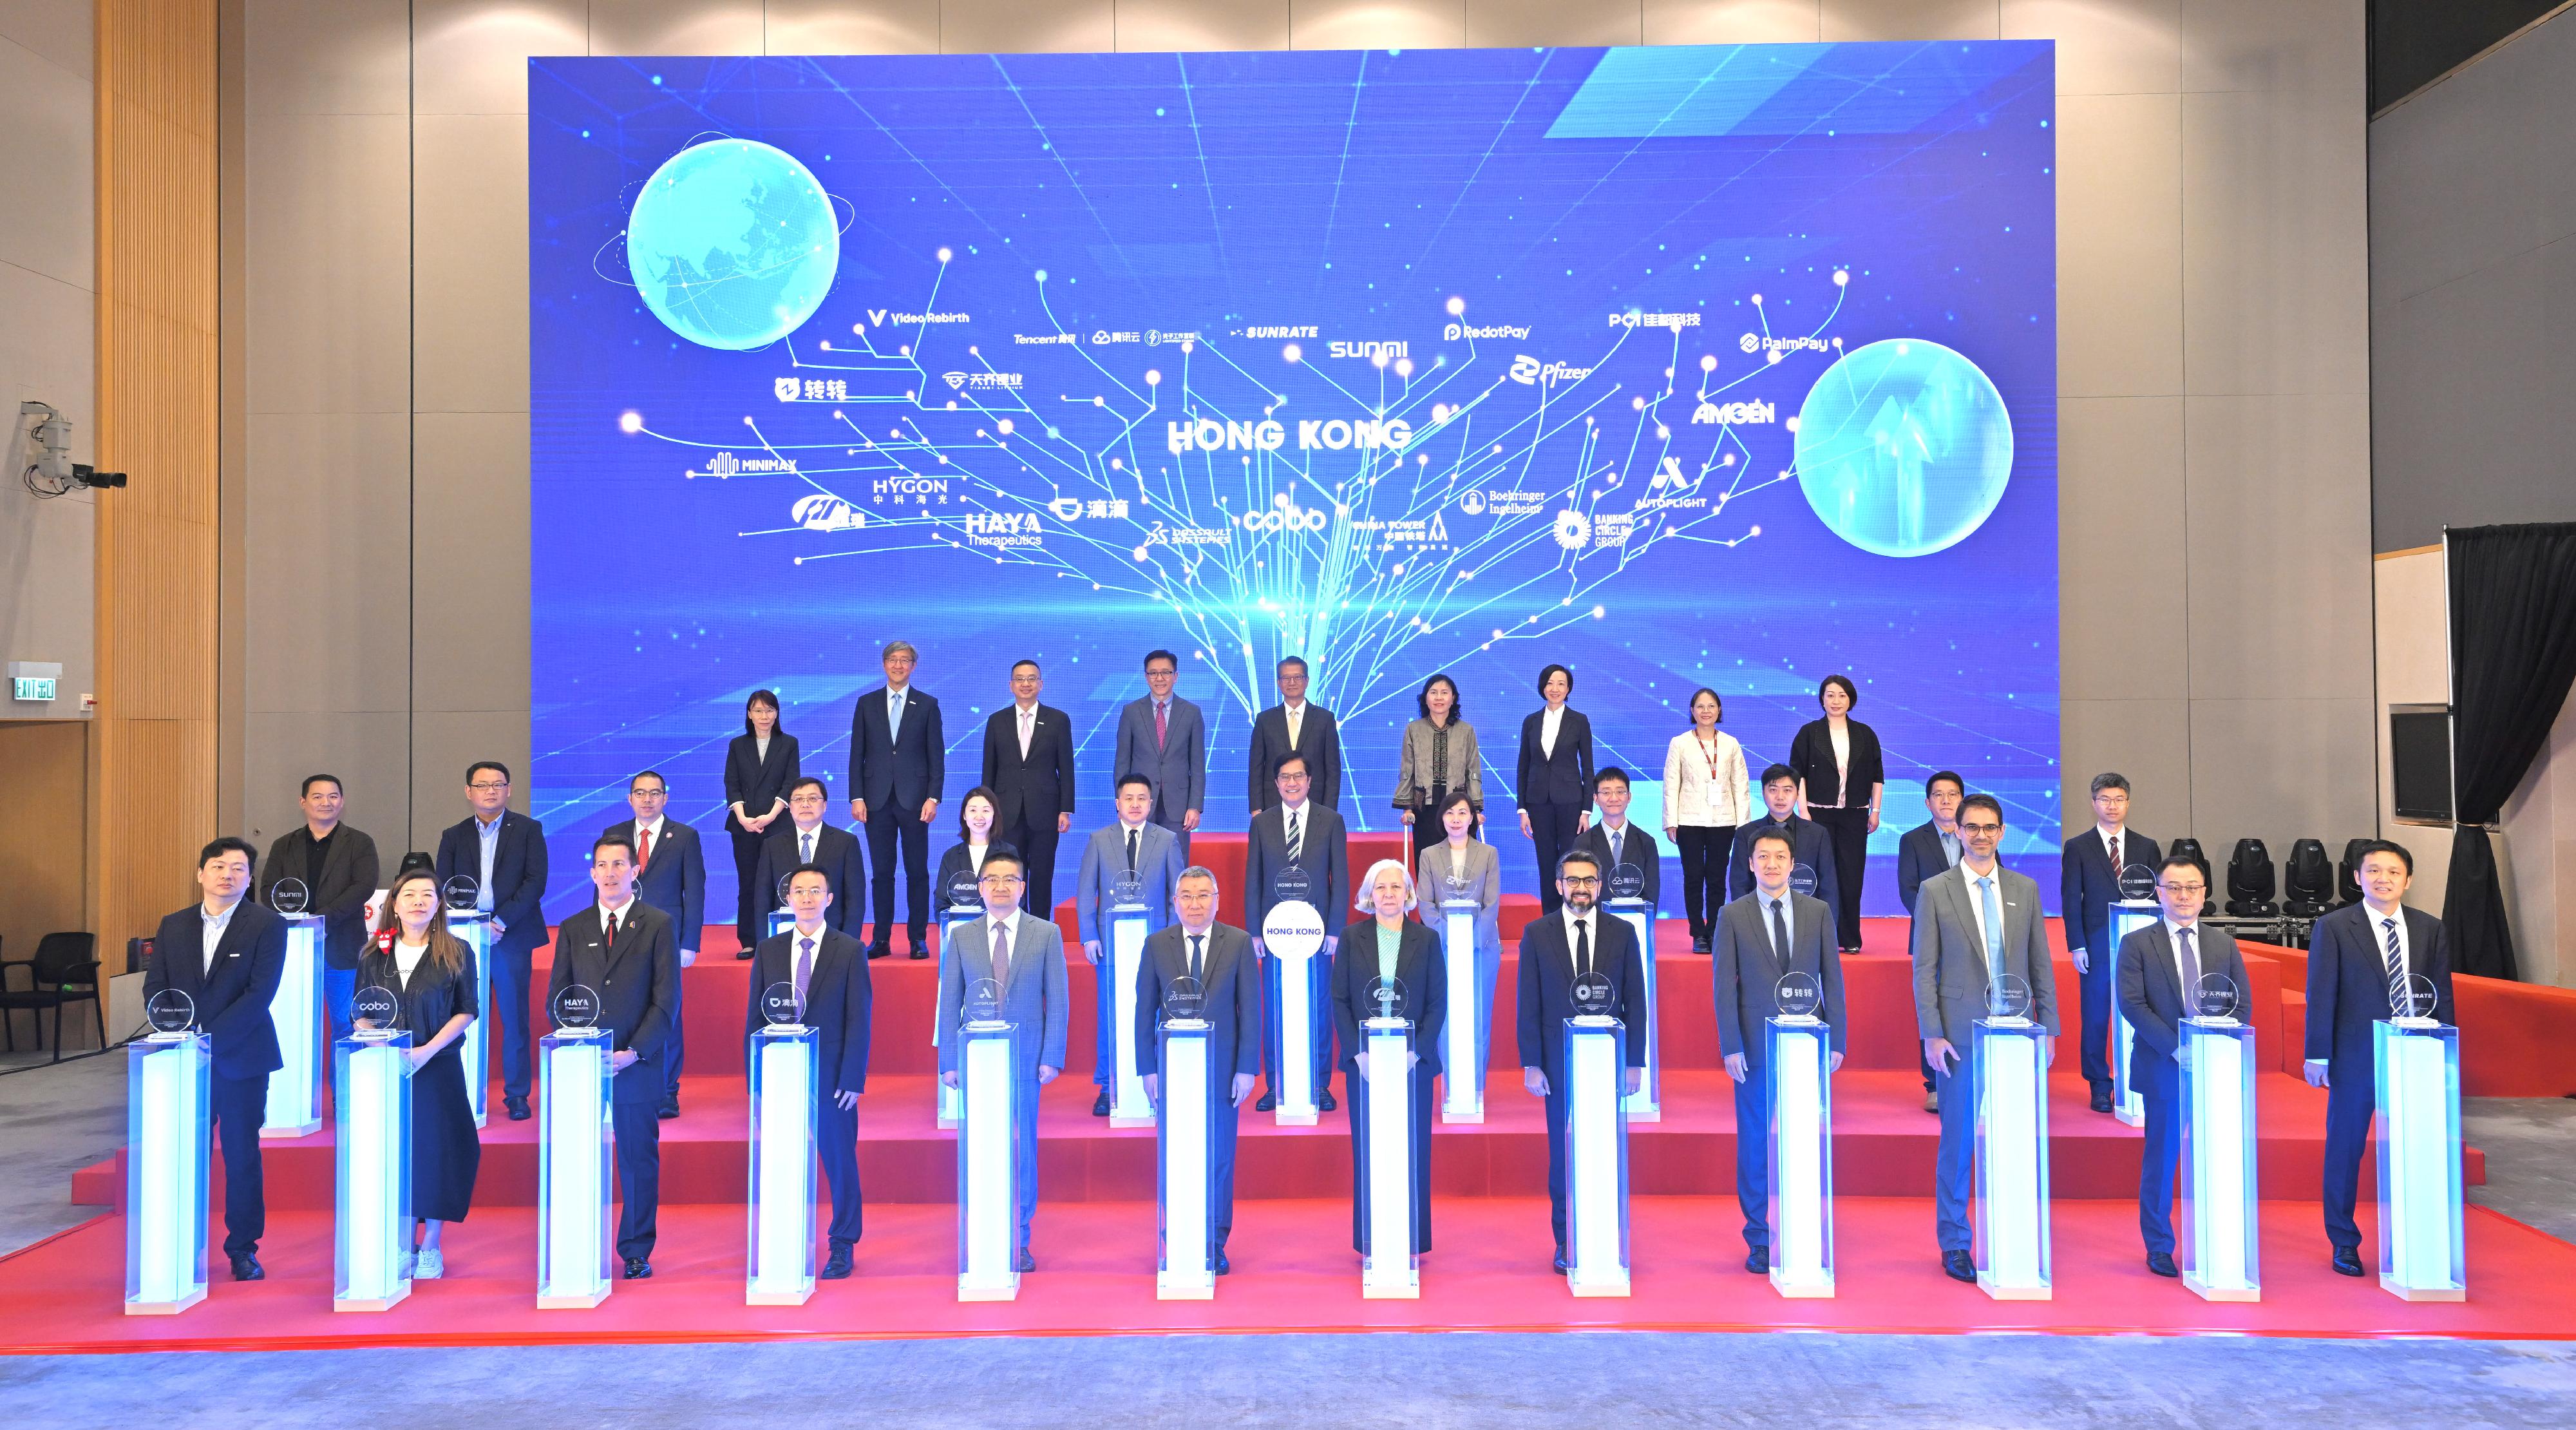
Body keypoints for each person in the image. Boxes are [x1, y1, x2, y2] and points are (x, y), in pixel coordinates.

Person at [1911, 793, 2058, 1282]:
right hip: (1960, 1036)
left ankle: (2014, 1232)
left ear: (2002, 832)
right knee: (1957, 1144)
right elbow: (1924, 970)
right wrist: (1932, 1034)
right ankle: (1954, 1241)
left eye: (1989, 827)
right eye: (1971, 827)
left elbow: (2040, 963)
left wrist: (2049, 1028)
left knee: (2015, 1139)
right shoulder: (1935, 890)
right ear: (1957, 831)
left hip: (2017, 1036)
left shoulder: (2025, 889)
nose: (1980, 835)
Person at [2304, 839, 2454, 1278]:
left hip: (2416, 1054)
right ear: (2357, 878)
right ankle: (2344, 1242)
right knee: (2346, 1150)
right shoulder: (2333, 927)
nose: (2382, 879)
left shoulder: (2431, 929)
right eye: (2372, 871)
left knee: (2417, 1148)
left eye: (2392, 872)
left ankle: (2414, 1238)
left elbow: (2441, 994)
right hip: (2355, 1056)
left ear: (2407, 879)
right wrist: (2318, 1054)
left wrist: (2444, 1053)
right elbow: (2321, 993)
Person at [144, 838, 289, 1281]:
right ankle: (183, 1246)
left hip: (242, 1057)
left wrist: (208, 1040)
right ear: (201, 873)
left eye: (239, 868)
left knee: (243, 1156)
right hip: (184, 1060)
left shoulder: (267, 924)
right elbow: (156, 986)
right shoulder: (173, 925)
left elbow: (260, 994)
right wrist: (176, 1031)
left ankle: (242, 1248)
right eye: (219, 866)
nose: (228, 875)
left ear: (250, 878)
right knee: (188, 1154)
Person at [547, 833, 681, 1279]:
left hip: (635, 1067)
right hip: (581, 1067)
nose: (610, 873)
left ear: (634, 871)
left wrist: (633, 1053)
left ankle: (636, 1250)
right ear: (591, 873)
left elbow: (666, 1003)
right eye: (602, 865)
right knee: (577, 1157)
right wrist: (579, 1045)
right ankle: (577, 1245)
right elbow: (557, 1000)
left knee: (638, 1162)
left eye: (619, 865)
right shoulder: (573, 927)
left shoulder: (659, 924)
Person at [1713, 828, 1846, 1273]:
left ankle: (1802, 1225)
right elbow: (1723, 988)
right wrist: (1730, 1044)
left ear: (1793, 864)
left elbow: (1833, 980)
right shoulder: (1732, 915)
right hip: (1752, 1044)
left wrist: (1838, 1038)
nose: (1772, 865)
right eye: (1763, 857)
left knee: (1803, 1138)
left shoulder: (1819, 912)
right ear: (1751, 864)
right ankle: (1758, 1236)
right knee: (1754, 1142)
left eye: (1780, 857)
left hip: (1808, 1043)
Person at [936, 852, 1068, 1272]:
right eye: (991, 880)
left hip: (1028, 1057)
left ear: (1022, 887)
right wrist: (949, 1062)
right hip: (977, 1059)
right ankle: (983, 1232)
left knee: (1022, 1148)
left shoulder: (1046, 934)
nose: (1000, 887)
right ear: (980, 888)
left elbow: (1059, 1002)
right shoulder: (961, 937)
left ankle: (1020, 1237)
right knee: (981, 1147)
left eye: (1009, 880)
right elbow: (949, 1002)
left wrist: (1052, 1057)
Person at [2116, 855, 2248, 1280]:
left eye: (2192, 887)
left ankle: (2217, 1241)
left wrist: (2218, 1049)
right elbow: (2132, 1004)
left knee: (2218, 1157)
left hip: (2218, 1067)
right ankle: (2159, 1245)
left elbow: (2241, 1002)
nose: (2184, 895)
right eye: (2174, 887)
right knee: (2163, 1156)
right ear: (2159, 893)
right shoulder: (2137, 944)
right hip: (2164, 1065)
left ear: (2205, 893)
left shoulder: (2222, 943)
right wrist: (2178, 1049)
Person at [1516, 849, 1647, 1273]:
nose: (1581, 888)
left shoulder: (1623, 933)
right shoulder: (1537, 934)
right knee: (1565, 1153)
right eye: (1573, 880)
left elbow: (1637, 1002)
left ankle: (1605, 1233)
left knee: (1604, 1148)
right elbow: (1528, 1004)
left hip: (1608, 1060)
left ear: (1600, 884)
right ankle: (1566, 1240)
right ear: (1559, 886)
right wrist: (1531, 1062)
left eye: (1589, 881)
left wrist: (1634, 1062)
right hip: (1557, 1062)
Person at [744, 864, 873, 1279]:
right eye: (799, 891)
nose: (806, 898)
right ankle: (785, 1237)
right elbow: (753, 1021)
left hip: (833, 1076)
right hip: (782, 1071)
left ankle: (842, 1243)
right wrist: (757, 1080)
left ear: (829, 899)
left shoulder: (850, 949)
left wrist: (853, 1078)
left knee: (839, 1161)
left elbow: (859, 1019)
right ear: (788, 898)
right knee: (783, 1159)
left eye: (815, 891)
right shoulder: (768, 950)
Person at [355, 868, 482, 1280]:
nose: (418, 901)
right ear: (394, 903)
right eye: (409, 894)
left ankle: (431, 1247)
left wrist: (426, 1051)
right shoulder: (374, 954)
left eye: (428, 894)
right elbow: (362, 1014)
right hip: (388, 1070)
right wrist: (385, 1048)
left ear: (439, 904)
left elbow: (467, 1010)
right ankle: (401, 1244)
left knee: (437, 1154)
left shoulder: (458, 951)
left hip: (438, 1067)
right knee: (398, 1154)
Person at [1135, 866, 1262, 1273]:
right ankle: (1178, 1238)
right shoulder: (1156, 945)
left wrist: (1247, 1069)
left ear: (1217, 900)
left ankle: (1214, 1240)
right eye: (1187, 896)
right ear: (1175, 902)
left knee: (1220, 1157)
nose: (1195, 903)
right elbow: (1143, 1011)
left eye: (1203, 895)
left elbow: (1251, 1012)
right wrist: (1147, 1069)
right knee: (1177, 1155)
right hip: (1172, 1070)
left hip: (1224, 1070)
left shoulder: (1239, 942)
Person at [1331, 859, 1446, 1261]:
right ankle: (1370, 1240)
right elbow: (1340, 1001)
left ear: (1409, 894)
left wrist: (1418, 1052)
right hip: (1365, 1064)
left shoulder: (1427, 940)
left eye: (1397, 887)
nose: (1389, 895)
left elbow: (1436, 1002)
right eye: (1381, 888)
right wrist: (1355, 1053)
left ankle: (1413, 1239)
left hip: (1413, 1062)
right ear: (1368, 895)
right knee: (1369, 1150)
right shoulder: (1350, 937)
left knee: (1413, 1149)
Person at [433, 761, 547, 1121]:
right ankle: (463, 1092)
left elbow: (535, 882)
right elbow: (442, 884)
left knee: (514, 1019)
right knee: (461, 1014)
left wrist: (499, 922)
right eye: (482, 786)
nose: (490, 791)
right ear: (469, 792)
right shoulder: (453, 835)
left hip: (509, 935)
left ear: (509, 789)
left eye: (498, 784)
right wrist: (469, 923)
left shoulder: (528, 830)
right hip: (463, 937)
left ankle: (517, 1095)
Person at [1075, 774, 1187, 1116]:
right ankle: (1108, 1086)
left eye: (1142, 798)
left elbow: (1177, 896)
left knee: (1154, 1013)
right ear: (1118, 804)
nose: (1136, 804)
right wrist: (1089, 935)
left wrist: (1173, 940)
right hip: (1110, 946)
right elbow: (1085, 894)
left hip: (1154, 945)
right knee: (1110, 1015)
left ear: (1151, 804)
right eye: (1129, 798)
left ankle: (1157, 1083)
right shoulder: (1098, 840)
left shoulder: (1168, 840)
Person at [1243, 752, 1349, 1113]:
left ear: (1309, 781)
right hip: (1275, 933)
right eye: (1285, 777)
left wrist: (1334, 930)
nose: (1291, 783)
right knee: (1275, 1007)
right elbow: (1253, 881)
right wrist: (1255, 933)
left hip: (1316, 933)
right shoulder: (1262, 824)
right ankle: (1276, 1084)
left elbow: (1341, 880)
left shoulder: (1332, 821)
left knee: (1319, 1006)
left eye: (1298, 776)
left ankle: (1320, 1084)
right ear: (1276, 784)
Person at [606, 769, 706, 1120]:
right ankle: (627, 1081)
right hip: (621, 935)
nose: (647, 799)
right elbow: (604, 886)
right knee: (625, 1008)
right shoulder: (614, 835)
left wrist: (689, 942)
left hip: (667, 937)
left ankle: (667, 1091)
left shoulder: (685, 836)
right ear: (629, 798)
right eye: (640, 793)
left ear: (666, 798)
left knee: (667, 1013)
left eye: (655, 793)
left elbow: (694, 892)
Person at [2061, 772, 2162, 1114]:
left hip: (2141, 944)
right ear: (2094, 804)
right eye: (2105, 799)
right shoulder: (2078, 847)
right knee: (2095, 1017)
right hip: (2097, 944)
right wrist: (2077, 944)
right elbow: (2071, 898)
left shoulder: (2147, 846)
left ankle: (2138, 1082)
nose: (2112, 806)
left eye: (2119, 799)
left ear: (2128, 803)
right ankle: (2100, 1085)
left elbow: (2157, 896)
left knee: (2144, 1012)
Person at [259, 773, 381, 1044]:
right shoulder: (283, 845)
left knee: (347, 1026)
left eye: (333, 796)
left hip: (342, 948)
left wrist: (321, 921)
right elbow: (268, 891)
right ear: (303, 802)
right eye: (318, 796)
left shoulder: (360, 843)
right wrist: (300, 923)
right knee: (293, 1024)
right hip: (293, 948)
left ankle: (344, 1088)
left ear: (342, 802)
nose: (326, 802)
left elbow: (363, 887)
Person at [848, 640, 945, 959]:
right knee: (881, 872)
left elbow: (936, 756)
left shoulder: (927, 704)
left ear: (913, 666)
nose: (898, 665)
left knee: (917, 871)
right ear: (884, 664)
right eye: (892, 659)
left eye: (905, 660)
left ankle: (918, 938)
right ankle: (881, 939)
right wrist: (857, 797)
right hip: (875, 801)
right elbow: (857, 755)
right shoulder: (866, 703)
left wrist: (933, 797)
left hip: (916, 801)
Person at [1788, 674, 1882, 953]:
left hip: (1855, 815)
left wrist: (1875, 811)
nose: (1836, 700)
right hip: (1818, 815)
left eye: (1842, 695)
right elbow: (1797, 775)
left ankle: (1850, 938)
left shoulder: (1865, 733)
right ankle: (1816, 939)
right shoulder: (1809, 732)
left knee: (1852, 876)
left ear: (1850, 699)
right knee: (1818, 877)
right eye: (1830, 695)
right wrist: (1802, 810)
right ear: (1822, 699)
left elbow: (1877, 776)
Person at [981, 658, 1076, 921]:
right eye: (1020, 679)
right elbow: (988, 770)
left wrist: (1065, 810)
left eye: (1032, 678)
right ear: (1011, 685)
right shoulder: (996, 721)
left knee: (1043, 873)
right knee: (1010, 873)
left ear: (1041, 684)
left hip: (1046, 811)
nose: (1026, 684)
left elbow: (1066, 768)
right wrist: (988, 813)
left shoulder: (1058, 720)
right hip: (1006, 811)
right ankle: (1013, 926)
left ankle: (1041, 930)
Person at [1415, 790, 1502, 1076]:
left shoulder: (1489, 854)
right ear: (1442, 819)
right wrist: (1450, 938)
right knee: (1448, 1016)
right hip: (1444, 948)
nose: (1456, 819)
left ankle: (1475, 1085)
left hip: (1482, 947)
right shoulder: (1429, 855)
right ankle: (1451, 1084)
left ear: (1472, 819)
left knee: (1478, 1017)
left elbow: (1492, 903)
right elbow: (1426, 904)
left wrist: (1473, 941)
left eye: (1463, 812)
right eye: (1450, 813)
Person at [1897, 771, 1968, 1113]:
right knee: (1931, 1005)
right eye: (1938, 795)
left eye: (1952, 794)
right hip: (1931, 936)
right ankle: (1934, 1083)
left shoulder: (1977, 836)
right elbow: (1908, 890)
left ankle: (1970, 1075)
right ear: (1927, 803)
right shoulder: (1913, 840)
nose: (1946, 801)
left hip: (1975, 938)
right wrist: (1937, 924)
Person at [1663, 688, 1748, 953]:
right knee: (1693, 876)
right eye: (1700, 706)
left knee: (1716, 878)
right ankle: (1697, 933)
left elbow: (1740, 785)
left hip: (1723, 820)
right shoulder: (1680, 743)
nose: (1706, 711)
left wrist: (1743, 825)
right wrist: (1670, 820)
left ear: (1719, 711)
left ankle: (1714, 929)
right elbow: (1671, 783)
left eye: (1711, 706)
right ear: (1692, 711)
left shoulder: (1731, 744)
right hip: (1689, 819)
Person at [723, 689, 802, 953]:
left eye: (769, 710)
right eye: (758, 711)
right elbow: (731, 784)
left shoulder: (789, 743)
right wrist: (743, 818)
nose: (764, 716)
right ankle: (748, 941)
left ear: (777, 713)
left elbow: (791, 782)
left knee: (778, 881)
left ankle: (777, 939)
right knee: (748, 882)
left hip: (778, 824)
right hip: (744, 825)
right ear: (749, 714)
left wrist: (771, 815)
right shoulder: (737, 745)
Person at [750, 776, 868, 946]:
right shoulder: (772, 845)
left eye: (813, 798)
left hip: (833, 939)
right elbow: (762, 900)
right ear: (790, 807)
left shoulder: (846, 843)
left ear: (825, 805)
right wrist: (764, 947)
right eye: (798, 799)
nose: (805, 804)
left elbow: (855, 900)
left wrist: (848, 946)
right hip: (784, 940)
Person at [1516, 663, 1595, 914]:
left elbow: (1589, 768)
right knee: (1546, 861)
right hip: (1538, 803)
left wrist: (1587, 810)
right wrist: (1522, 810)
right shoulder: (1531, 721)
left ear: (1568, 688)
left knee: (1572, 862)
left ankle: (1575, 912)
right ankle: (1550, 918)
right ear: (1542, 686)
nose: (1555, 689)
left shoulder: (1579, 721)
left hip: (1571, 801)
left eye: (1561, 684)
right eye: (1550, 683)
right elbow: (1523, 767)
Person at [1115, 649, 1206, 858]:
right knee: (1139, 866)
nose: (1160, 678)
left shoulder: (1191, 713)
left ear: (1176, 676)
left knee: (1175, 865)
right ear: (1146, 677)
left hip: (1179, 807)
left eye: (1165, 672)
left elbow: (1198, 765)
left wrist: (1195, 807)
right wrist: (1123, 802)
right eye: (1153, 673)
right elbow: (1122, 763)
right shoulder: (1131, 712)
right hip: (1139, 803)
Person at [1727, 765, 1842, 917]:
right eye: (1773, 790)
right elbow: (1739, 885)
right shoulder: (1746, 833)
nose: (1780, 797)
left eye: (1787, 790)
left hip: (1806, 918)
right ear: (1763, 793)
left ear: (1798, 794)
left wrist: (1828, 931)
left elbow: (1828, 886)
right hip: (1760, 917)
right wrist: (1745, 924)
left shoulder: (1817, 834)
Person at [1393, 671, 1482, 868]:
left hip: (1459, 808)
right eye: (1434, 692)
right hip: (1424, 809)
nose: (1439, 697)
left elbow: (1473, 771)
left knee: (1461, 864)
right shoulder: (1413, 729)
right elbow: (1407, 771)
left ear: (1453, 698)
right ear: (1426, 698)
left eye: (1444, 692)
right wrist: (1407, 808)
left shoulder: (1466, 731)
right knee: (1427, 864)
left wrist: (1476, 809)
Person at [1246, 656, 1342, 813]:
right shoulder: (1265, 720)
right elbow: (1256, 768)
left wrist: (1329, 811)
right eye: (1286, 678)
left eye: (1297, 677)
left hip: (1316, 805)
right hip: (1273, 805)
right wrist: (1256, 808)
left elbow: (1333, 771)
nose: (1292, 683)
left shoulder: (1325, 719)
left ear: (1307, 681)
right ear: (1279, 683)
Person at [1573, 767, 1662, 911]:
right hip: (1596, 925)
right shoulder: (1583, 843)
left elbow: (1651, 892)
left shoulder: (1646, 842)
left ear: (1629, 797)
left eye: (1620, 792)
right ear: (1595, 798)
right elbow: (1580, 891)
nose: (1614, 798)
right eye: (1606, 792)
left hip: (1635, 924)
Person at [934, 787, 1018, 909]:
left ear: (994, 814)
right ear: (964, 815)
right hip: (960, 926)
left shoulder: (1008, 853)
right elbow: (941, 903)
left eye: (986, 811)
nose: (979, 817)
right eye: (973, 810)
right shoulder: (951, 856)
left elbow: (1017, 899)